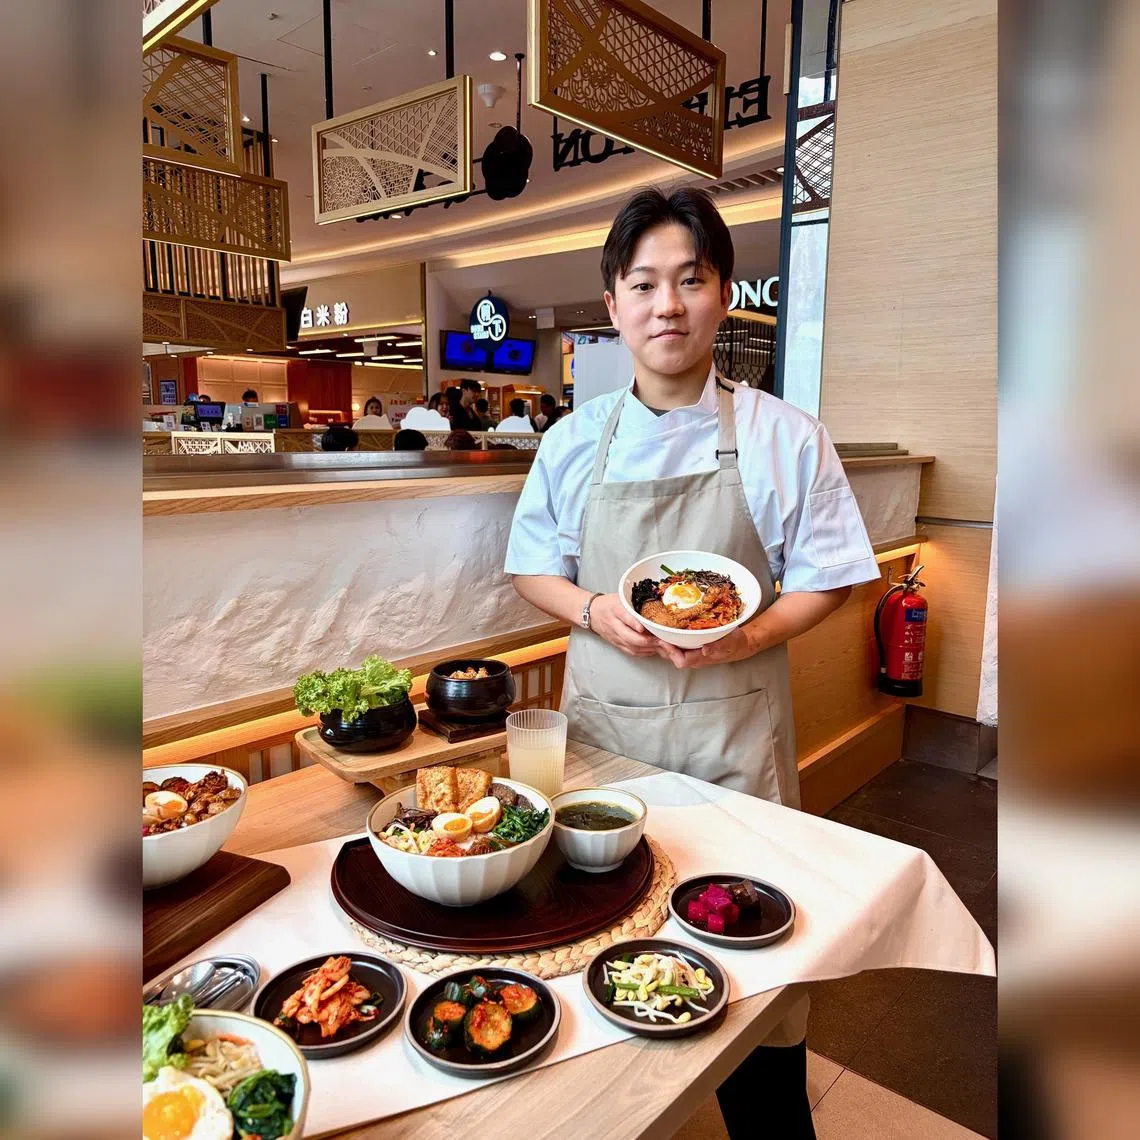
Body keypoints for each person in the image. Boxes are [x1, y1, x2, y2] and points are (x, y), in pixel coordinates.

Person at [504, 187, 881, 1140]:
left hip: (734, 751)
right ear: (614, 302)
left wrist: (743, 635)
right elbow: (531, 570)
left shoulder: (781, 435)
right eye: (643, 284)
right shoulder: (573, 441)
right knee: (607, 976)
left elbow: (830, 577)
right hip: (604, 759)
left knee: (756, 991)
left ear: (722, 297)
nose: (665, 304)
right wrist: (595, 608)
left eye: (689, 280)